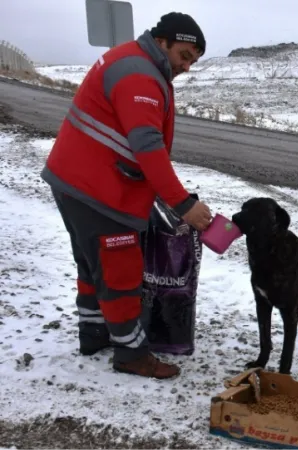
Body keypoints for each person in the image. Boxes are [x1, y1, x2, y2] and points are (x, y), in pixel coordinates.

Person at [40, 12, 212, 379]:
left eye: (192, 62)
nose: (185, 66)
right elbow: (148, 145)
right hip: (97, 188)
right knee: (120, 271)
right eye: (184, 55)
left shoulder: (135, 62)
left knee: (92, 263)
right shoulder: (139, 73)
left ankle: (94, 332)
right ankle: (131, 352)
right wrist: (183, 204)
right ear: (163, 40)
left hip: (77, 180)